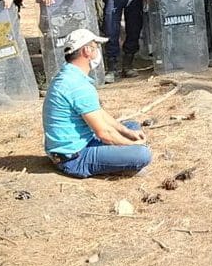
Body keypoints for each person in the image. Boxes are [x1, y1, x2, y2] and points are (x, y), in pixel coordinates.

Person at [43, 28, 152, 178]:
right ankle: (121, 164)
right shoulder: (78, 85)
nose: (98, 51)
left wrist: (127, 133)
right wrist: (133, 145)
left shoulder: (68, 75)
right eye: (95, 47)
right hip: (74, 158)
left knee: (131, 126)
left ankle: (120, 157)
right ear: (87, 51)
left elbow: (98, 112)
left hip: (72, 147)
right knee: (142, 154)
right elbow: (103, 133)